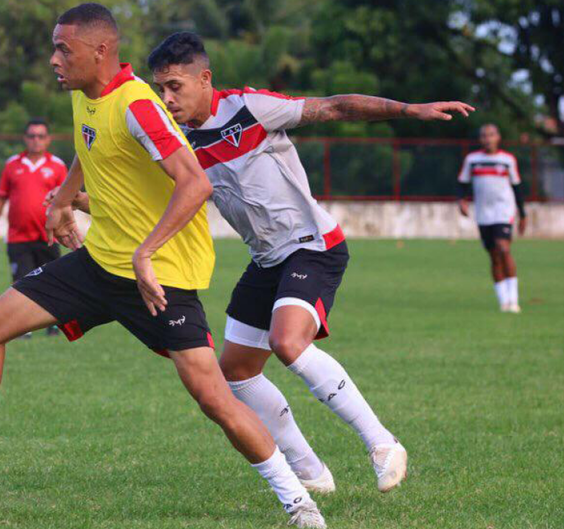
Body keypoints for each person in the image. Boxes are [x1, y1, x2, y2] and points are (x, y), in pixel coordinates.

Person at [0, 5, 326, 528]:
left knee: (214, 398)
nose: (53, 60)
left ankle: (299, 502)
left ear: (100, 51)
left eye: (63, 49)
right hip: (98, 265)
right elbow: (87, 146)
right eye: (54, 48)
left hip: (161, 280)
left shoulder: (138, 106)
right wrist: (62, 200)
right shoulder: (84, 96)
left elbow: (195, 184)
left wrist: (145, 253)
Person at [142, 31, 474, 494]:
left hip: (312, 245)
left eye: (175, 86)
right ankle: (311, 471)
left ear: (205, 78)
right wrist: (82, 203)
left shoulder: (249, 108)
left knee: (287, 341)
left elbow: (334, 108)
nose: (166, 98)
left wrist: (407, 110)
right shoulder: (178, 140)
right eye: (160, 88)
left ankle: (382, 443)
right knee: (236, 371)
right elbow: (160, 199)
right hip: (265, 260)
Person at [0, 118, 69, 335]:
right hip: (18, 237)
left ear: (48, 139)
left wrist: (65, 226)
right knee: (21, 284)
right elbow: (0, 198)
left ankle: (52, 324)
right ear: (25, 138)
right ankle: (24, 328)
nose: (36, 140)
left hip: (48, 236)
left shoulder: (57, 166)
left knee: (52, 282)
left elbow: (66, 200)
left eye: (40, 136)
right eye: (31, 136)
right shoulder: (13, 164)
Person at [457, 124, 526, 313]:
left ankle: (514, 300)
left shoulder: (507, 160)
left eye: (491, 135)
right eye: (484, 135)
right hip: (483, 213)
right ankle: (504, 301)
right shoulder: (472, 160)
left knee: (504, 248)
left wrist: (523, 214)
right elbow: (462, 183)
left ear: (498, 137)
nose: (488, 139)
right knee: (494, 256)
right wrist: (461, 200)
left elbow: (517, 188)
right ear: (480, 139)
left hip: (504, 211)